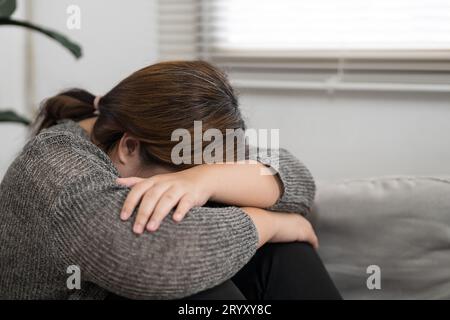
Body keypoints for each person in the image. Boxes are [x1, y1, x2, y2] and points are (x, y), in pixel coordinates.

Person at [0, 61, 341, 300]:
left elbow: (295, 178)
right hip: (128, 281)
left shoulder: (170, 136)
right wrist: (269, 223)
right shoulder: (59, 172)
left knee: (283, 254)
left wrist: (204, 178)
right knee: (197, 287)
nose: (185, 194)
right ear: (130, 146)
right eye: (171, 186)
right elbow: (157, 261)